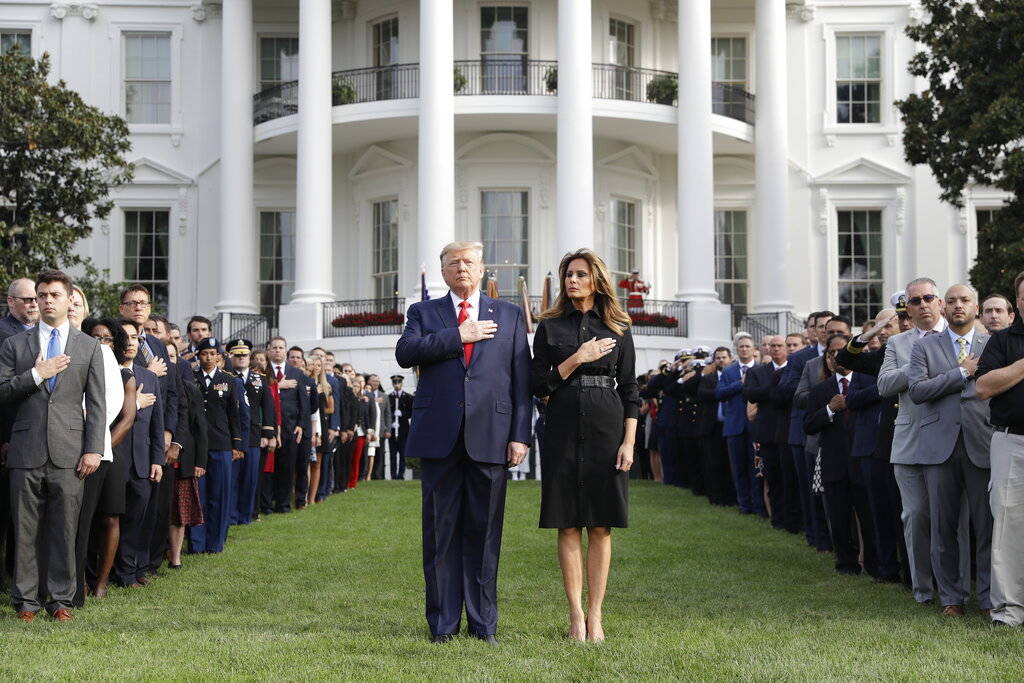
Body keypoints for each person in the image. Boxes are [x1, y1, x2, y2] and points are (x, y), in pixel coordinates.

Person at [395, 240, 531, 646]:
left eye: (469, 261)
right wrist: (458, 335)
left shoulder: (508, 315)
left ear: (483, 267)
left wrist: (520, 435)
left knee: (485, 534)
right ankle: (442, 624)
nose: (462, 268)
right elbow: (406, 353)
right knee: (440, 535)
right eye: (453, 263)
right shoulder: (424, 312)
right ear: (443, 271)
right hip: (440, 438)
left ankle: (483, 623)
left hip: (492, 436)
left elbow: (521, 380)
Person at [530, 249, 638, 642]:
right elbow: (537, 384)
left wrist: (628, 442)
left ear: (596, 279)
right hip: (560, 425)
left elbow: (630, 390)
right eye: (567, 275)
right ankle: (575, 615)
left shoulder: (619, 326)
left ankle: (596, 615)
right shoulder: (550, 326)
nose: (571, 281)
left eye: (579, 274)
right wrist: (577, 358)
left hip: (607, 428)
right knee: (568, 522)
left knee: (601, 525)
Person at [0, 270, 106, 621]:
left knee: (64, 528)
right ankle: (26, 601)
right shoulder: (15, 345)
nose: (46, 301)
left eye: (54, 295)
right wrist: (36, 374)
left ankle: (60, 600)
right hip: (26, 447)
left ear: (68, 299)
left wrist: (93, 449)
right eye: (41, 295)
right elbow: (2, 392)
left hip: (71, 451)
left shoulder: (89, 346)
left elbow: (97, 403)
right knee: (25, 528)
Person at [877, 277, 969, 606]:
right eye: (915, 301)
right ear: (908, 309)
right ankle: (923, 591)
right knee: (915, 516)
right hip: (910, 441)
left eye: (929, 298)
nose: (923, 305)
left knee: (954, 518)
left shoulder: (959, 336)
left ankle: (957, 591)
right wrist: (918, 369)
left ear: (940, 303)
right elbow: (884, 385)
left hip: (954, 439)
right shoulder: (898, 344)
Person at [907, 284, 993, 616]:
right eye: (953, 300)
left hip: (982, 443)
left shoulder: (992, 344)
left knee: (986, 526)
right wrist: (960, 373)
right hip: (938, 447)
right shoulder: (924, 347)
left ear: (976, 306)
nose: (958, 305)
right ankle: (952, 599)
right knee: (942, 527)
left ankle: (987, 598)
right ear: (945, 307)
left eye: (965, 300)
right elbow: (917, 390)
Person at [804, 333, 877, 575]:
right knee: (839, 516)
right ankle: (846, 563)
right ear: (827, 358)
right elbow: (809, 424)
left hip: (864, 458)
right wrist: (829, 409)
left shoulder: (869, 381)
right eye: (831, 352)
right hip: (835, 461)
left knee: (869, 515)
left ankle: (876, 564)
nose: (837, 356)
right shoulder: (820, 389)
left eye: (841, 350)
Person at [976, 270, 1024, 627]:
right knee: (1008, 525)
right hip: (1012, 441)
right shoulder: (1003, 341)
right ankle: (1009, 610)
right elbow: (984, 386)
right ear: (1018, 303)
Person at [76, 316, 135, 604]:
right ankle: (82, 578)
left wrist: (99, 447)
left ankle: (101, 581)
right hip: (83, 451)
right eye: (96, 337)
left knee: (110, 516)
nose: (102, 343)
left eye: (108, 338)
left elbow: (127, 419)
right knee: (83, 518)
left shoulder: (124, 375)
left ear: (117, 342)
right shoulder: (82, 365)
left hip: (110, 452)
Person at [112, 319, 164, 588]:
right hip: (111, 457)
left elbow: (158, 424)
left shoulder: (149, 377)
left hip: (142, 462)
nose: (130, 342)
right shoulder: (104, 371)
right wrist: (133, 403)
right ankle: (106, 571)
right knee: (109, 519)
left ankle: (129, 571)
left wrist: (158, 459)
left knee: (137, 519)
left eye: (135, 337)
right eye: (125, 337)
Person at [188, 338, 244, 554]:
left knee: (219, 495)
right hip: (196, 446)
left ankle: (215, 542)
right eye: (204, 353)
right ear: (198, 355)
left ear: (219, 356)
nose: (209, 358)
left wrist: (236, 444)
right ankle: (197, 543)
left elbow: (234, 415)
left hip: (221, 445)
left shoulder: (228, 380)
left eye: (213, 353)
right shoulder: (191, 378)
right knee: (199, 495)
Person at [743, 336, 790, 530]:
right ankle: (777, 520)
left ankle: (793, 520)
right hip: (768, 432)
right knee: (773, 479)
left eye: (780, 346)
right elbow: (750, 394)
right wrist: (772, 387)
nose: (776, 349)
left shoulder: (793, 369)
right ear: (767, 349)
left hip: (789, 430)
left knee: (790, 478)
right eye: (773, 346)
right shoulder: (758, 371)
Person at [227, 339, 276, 524]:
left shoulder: (259, 379)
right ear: (231, 357)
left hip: (254, 437)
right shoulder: (226, 377)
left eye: (244, 355)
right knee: (232, 477)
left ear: (249, 357)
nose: (241, 358)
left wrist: (267, 434)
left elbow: (268, 408)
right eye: (237, 355)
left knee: (250, 477)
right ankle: (231, 515)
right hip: (232, 435)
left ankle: (246, 515)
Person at [715, 334, 761, 514]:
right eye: (740, 346)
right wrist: (739, 384)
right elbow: (719, 394)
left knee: (755, 467)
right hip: (734, 426)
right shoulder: (728, 371)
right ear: (736, 349)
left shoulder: (760, 369)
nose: (744, 349)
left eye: (747, 346)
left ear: (753, 349)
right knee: (738, 468)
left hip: (755, 426)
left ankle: (758, 505)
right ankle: (744, 504)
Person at [266, 337, 309, 513]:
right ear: (269, 350)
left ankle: (283, 504)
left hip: (290, 428)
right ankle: (266, 503)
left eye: (281, 347)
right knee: (268, 468)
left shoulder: (296, 373)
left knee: (286, 467)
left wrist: (301, 424)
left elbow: (303, 402)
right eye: (274, 347)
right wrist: (278, 386)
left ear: (286, 350)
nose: (277, 350)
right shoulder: (264, 370)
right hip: (269, 426)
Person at [387, 375, 413, 480]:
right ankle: (393, 475)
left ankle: (400, 475)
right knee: (392, 455)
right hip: (392, 430)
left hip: (403, 430)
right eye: (395, 383)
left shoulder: (408, 397)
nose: (397, 385)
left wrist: (402, 413)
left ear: (401, 384)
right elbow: (387, 412)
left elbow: (411, 412)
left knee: (403, 454)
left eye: (398, 383)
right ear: (393, 384)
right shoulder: (389, 397)